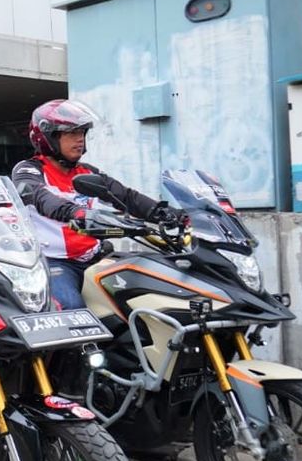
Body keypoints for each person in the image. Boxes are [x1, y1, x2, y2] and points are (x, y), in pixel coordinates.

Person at [11, 99, 182, 309]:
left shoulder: (88, 173)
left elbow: (127, 197)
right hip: (56, 262)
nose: (80, 139)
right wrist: (76, 212)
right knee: (72, 308)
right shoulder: (29, 171)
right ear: (48, 137)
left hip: (97, 256)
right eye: (71, 133)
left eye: (82, 133)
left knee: (150, 290)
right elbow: (40, 197)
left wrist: (172, 214)